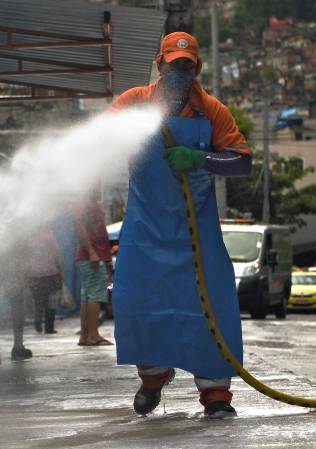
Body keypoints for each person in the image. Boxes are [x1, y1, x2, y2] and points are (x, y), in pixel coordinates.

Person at [110, 32, 252, 419]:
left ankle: (216, 393)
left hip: (196, 230)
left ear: (196, 70)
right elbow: (104, 139)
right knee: (137, 302)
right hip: (145, 226)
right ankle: (153, 377)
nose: (180, 71)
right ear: (160, 64)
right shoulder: (134, 103)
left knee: (212, 307)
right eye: (174, 64)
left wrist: (201, 159)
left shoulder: (212, 111)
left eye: (187, 66)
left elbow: (242, 161)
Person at [74, 186, 113, 347]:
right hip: (92, 257)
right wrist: (92, 252)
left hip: (92, 256)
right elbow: (79, 225)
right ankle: (93, 335)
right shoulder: (84, 202)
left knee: (87, 297)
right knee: (95, 296)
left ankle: (85, 335)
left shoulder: (88, 202)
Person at [0, 244, 33, 365]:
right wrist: (24, 272)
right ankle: (18, 347)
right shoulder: (14, 227)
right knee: (17, 303)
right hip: (11, 265)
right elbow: (23, 246)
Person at [28, 224, 63, 334]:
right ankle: (49, 327)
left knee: (38, 301)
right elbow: (57, 254)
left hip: (34, 274)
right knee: (51, 302)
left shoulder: (30, 239)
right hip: (50, 274)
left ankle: (37, 322)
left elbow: (26, 257)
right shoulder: (49, 238)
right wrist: (61, 270)